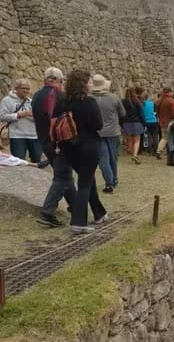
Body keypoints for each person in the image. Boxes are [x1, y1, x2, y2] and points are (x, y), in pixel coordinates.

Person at [53, 69, 107, 234]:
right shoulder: (89, 102)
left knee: (88, 179)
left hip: (69, 147)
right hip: (88, 146)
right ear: (83, 84)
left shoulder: (62, 103)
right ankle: (78, 221)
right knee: (84, 183)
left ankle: (99, 213)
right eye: (89, 81)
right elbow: (98, 125)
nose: (91, 84)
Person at [31, 67, 75, 227]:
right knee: (62, 176)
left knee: (65, 174)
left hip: (43, 140)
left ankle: (76, 207)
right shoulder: (58, 95)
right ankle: (47, 213)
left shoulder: (36, 95)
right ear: (58, 80)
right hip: (58, 142)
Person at [91, 74, 124, 193]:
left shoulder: (90, 99)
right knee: (113, 157)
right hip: (113, 131)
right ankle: (114, 179)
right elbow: (122, 113)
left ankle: (109, 182)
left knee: (103, 159)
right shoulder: (114, 98)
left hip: (98, 133)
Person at [0, 78, 42, 163]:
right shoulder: (7, 100)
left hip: (33, 135)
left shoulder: (31, 101)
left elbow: (40, 118)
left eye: (27, 89)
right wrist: (18, 115)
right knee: (18, 161)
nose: (25, 91)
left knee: (37, 159)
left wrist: (35, 116)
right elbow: (2, 116)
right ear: (16, 88)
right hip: (17, 136)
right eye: (23, 88)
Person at [121, 87, 146, 164]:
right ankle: (135, 155)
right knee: (137, 141)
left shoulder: (123, 101)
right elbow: (142, 113)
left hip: (126, 123)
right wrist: (144, 123)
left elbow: (121, 113)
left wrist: (121, 123)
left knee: (130, 140)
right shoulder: (137, 101)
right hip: (136, 122)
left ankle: (132, 154)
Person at [155, 86, 174, 159]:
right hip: (170, 121)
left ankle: (159, 151)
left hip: (162, 121)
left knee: (164, 137)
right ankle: (171, 152)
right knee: (170, 137)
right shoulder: (170, 100)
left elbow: (157, 111)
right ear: (169, 92)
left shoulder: (159, 100)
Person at [141, 88, 160, 157]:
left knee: (148, 137)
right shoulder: (152, 103)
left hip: (146, 122)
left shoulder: (142, 104)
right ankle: (155, 149)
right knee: (155, 136)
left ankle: (149, 150)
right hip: (154, 121)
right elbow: (155, 112)